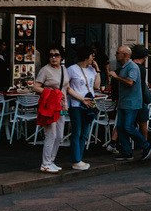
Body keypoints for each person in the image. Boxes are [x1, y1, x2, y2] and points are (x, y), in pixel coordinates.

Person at [107, 46, 151, 161]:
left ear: (125, 55)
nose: (116, 55)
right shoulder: (123, 66)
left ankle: (146, 145)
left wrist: (116, 77)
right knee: (120, 127)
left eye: (118, 53)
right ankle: (127, 151)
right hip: (124, 101)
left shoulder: (132, 67)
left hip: (132, 102)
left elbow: (130, 82)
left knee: (128, 126)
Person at [32, 44, 70, 172]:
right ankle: (45, 163)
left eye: (56, 55)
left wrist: (78, 99)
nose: (53, 58)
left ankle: (51, 160)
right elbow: (36, 87)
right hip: (49, 106)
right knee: (51, 134)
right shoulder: (45, 70)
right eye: (51, 55)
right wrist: (50, 93)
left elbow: (66, 87)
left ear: (61, 57)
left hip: (61, 106)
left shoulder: (64, 70)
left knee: (59, 135)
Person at [65, 45, 100, 171]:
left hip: (89, 104)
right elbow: (67, 87)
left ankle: (79, 158)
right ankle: (76, 160)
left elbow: (96, 86)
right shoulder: (72, 69)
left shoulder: (91, 69)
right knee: (77, 131)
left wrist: (98, 70)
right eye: (92, 55)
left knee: (84, 133)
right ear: (87, 56)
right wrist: (80, 98)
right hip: (76, 104)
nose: (93, 58)